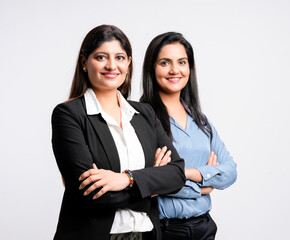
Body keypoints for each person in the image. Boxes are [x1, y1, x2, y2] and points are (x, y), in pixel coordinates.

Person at [51, 25, 186, 240]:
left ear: (129, 63)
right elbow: (90, 195)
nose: (112, 66)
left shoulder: (144, 113)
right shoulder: (69, 114)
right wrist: (152, 186)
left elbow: (177, 174)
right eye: (102, 57)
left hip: (146, 234)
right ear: (85, 62)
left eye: (120, 57)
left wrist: (127, 179)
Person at [140, 32, 237, 240]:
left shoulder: (201, 121)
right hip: (165, 230)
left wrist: (189, 172)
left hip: (204, 227)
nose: (175, 70)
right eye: (165, 63)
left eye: (182, 62)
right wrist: (204, 185)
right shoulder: (142, 119)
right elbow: (149, 181)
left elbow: (230, 171)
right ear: (152, 68)